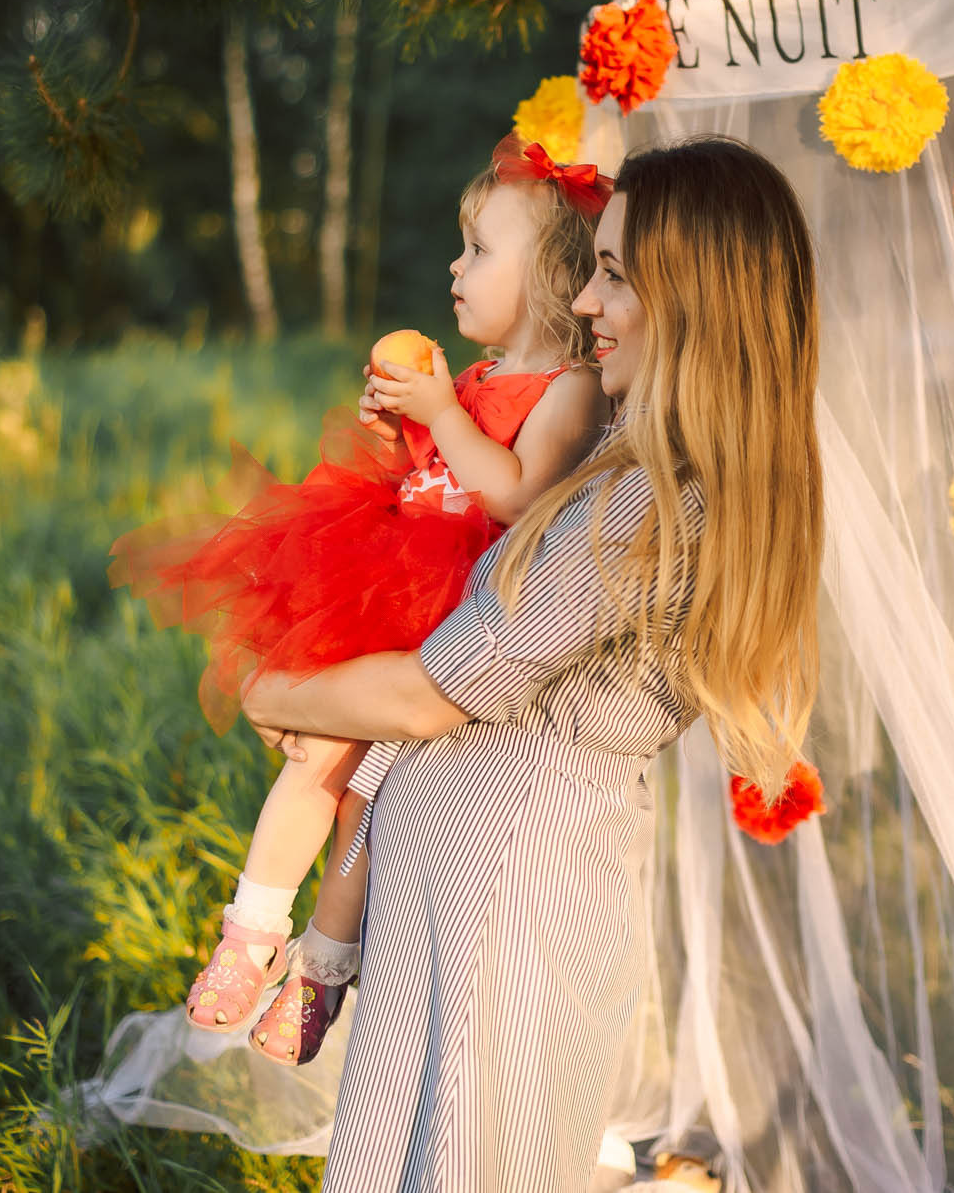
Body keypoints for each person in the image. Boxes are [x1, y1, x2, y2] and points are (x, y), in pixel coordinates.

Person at [238, 134, 824, 1191]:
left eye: (611, 274)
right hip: (476, 887)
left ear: (689, 297)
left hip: (499, 899)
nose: (587, 304)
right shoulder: (634, 465)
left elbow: (432, 693)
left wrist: (267, 690)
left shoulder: (644, 502)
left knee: (464, 1158)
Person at [107, 133, 614, 1066]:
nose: (453, 268)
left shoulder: (572, 389)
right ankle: (252, 930)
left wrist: (442, 417)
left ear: (547, 275)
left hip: (459, 616)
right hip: (393, 588)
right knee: (319, 757)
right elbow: (422, 485)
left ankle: (321, 971)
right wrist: (398, 436)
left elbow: (511, 494)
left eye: (477, 252)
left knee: (364, 806)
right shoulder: (470, 379)